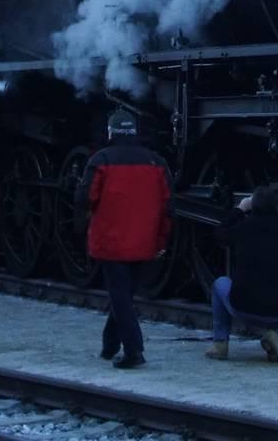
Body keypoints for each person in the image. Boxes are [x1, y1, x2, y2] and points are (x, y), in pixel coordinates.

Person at [76, 110, 170, 369]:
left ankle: (134, 350)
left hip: (111, 240)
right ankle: (109, 345)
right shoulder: (156, 162)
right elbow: (167, 204)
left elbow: (85, 198)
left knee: (120, 296)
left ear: (111, 132)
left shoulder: (102, 159)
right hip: (144, 241)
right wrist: (161, 239)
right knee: (124, 294)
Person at [205, 186, 278, 363]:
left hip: (241, 306)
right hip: (277, 312)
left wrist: (240, 209)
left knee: (220, 283)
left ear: (253, 206)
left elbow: (220, 233)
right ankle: (276, 336)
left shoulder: (243, 228)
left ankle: (220, 344)